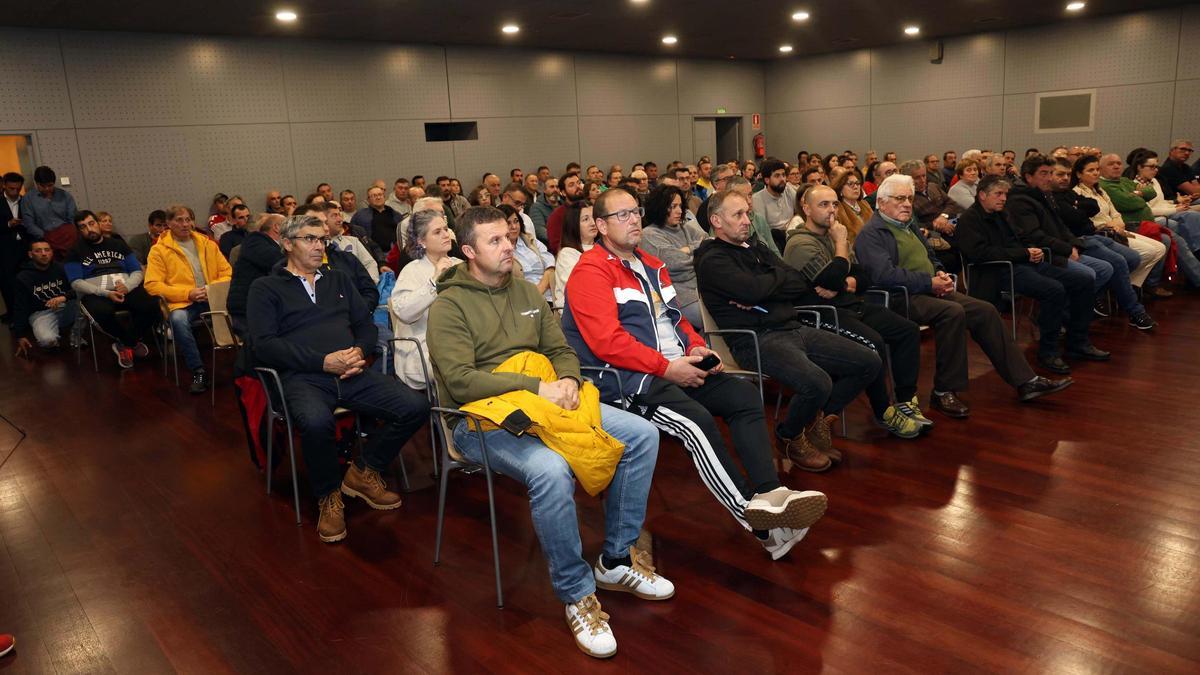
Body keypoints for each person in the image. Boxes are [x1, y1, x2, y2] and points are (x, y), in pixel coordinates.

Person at [427, 205, 671, 659]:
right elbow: (460, 381)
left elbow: (560, 348)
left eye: (509, 237)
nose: (508, 247)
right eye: (494, 241)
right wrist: (536, 386)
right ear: (468, 252)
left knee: (641, 434)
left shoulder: (526, 292)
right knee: (551, 469)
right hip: (480, 419)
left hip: (548, 402)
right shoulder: (449, 306)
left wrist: (567, 383)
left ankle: (616, 560)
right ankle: (577, 594)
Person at [562, 187, 828, 559]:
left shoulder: (651, 265)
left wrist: (695, 348)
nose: (634, 219)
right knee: (697, 424)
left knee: (744, 397)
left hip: (675, 366)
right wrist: (667, 368)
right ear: (602, 226)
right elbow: (607, 343)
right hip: (630, 380)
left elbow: (677, 320)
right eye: (621, 215)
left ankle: (770, 494)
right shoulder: (590, 272)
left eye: (635, 211)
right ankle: (762, 525)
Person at [247, 214, 429, 544]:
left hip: (351, 372)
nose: (319, 246)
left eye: (323, 240)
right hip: (303, 377)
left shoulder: (338, 279)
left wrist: (360, 350)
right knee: (317, 423)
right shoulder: (265, 288)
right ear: (288, 244)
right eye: (310, 239)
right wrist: (322, 362)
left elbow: (365, 324)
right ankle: (328, 496)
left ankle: (363, 471)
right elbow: (264, 345)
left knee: (416, 405)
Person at [854, 174, 1071, 418]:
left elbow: (930, 257)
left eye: (909, 198)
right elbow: (884, 275)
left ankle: (1026, 380)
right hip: (897, 298)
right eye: (899, 198)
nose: (906, 204)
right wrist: (929, 281)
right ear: (881, 202)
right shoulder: (871, 234)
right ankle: (944, 390)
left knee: (985, 310)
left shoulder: (909, 224)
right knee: (952, 312)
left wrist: (940, 273)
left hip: (928, 289)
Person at [694, 189, 883, 469]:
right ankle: (789, 435)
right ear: (716, 221)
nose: (747, 220)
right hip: (755, 340)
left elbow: (797, 284)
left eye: (748, 213)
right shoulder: (712, 259)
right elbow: (753, 289)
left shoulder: (755, 248)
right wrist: (771, 284)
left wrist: (765, 287)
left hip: (791, 327)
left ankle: (818, 421)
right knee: (817, 381)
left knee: (869, 360)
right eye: (738, 214)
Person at [783, 186, 927, 439]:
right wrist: (841, 248)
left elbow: (862, 275)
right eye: (824, 205)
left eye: (835, 204)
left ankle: (905, 401)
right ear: (806, 209)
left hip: (849, 305)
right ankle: (883, 412)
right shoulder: (799, 242)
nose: (832, 211)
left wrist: (845, 281)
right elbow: (831, 279)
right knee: (874, 344)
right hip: (819, 314)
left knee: (907, 331)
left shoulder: (832, 235)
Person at [956, 175, 1106, 373]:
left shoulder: (1003, 213)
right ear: (982, 195)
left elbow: (1022, 237)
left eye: (1005, 194)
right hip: (997, 271)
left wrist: (1032, 249)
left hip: (1024, 262)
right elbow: (979, 254)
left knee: (1083, 279)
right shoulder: (970, 219)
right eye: (998, 194)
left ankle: (1078, 341)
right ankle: (1048, 352)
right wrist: (1024, 253)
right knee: (1054, 289)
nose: (1003, 198)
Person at [1049, 158, 1155, 329]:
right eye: (1060, 174)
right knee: (1117, 262)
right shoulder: (1052, 196)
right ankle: (1135, 312)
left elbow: (1093, 207)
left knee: (1133, 258)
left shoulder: (1068, 193)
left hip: (1094, 234)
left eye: (1067, 175)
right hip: (1081, 239)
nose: (1065, 178)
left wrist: (1078, 206)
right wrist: (1079, 208)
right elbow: (1074, 217)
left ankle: (1093, 297)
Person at [145, 205, 233, 393]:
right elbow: (152, 285)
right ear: (168, 223)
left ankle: (243, 365)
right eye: (179, 220)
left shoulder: (207, 243)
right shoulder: (159, 250)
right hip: (183, 303)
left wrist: (210, 289)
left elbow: (227, 272)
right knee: (178, 320)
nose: (185, 224)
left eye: (189, 219)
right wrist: (188, 293)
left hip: (212, 297)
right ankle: (198, 370)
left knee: (244, 308)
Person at [66, 210, 159, 368]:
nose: (89, 229)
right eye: (83, 227)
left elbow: (137, 271)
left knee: (151, 306)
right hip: (97, 294)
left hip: (125, 289)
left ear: (98, 223)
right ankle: (130, 341)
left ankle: (126, 342)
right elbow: (75, 282)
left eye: (91, 223)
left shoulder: (117, 244)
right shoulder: (75, 251)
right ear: (79, 231)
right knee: (103, 313)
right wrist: (106, 293)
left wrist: (128, 286)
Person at [1098, 153, 1200, 288]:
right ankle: (1153, 284)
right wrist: (1139, 196)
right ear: (1101, 168)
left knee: (1179, 232)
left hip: (1147, 223)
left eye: (1119, 163)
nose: (1116, 166)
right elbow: (1131, 203)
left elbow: (1151, 192)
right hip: (1131, 225)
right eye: (1111, 164)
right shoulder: (1105, 185)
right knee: (1171, 238)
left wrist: (1138, 194)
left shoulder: (1124, 181)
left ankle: (1180, 276)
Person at [1072, 156, 1167, 298]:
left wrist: (1117, 225)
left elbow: (1116, 214)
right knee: (1148, 252)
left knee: (1160, 248)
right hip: (1100, 233)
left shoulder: (1100, 191)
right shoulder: (1076, 193)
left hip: (1116, 229)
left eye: (1097, 169)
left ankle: (1128, 285)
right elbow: (1087, 220)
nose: (1096, 173)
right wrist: (1110, 225)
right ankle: (1124, 287)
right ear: (1079, 174)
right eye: (1090, 170)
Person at [389, 209, 461, 389]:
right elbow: (404, 312)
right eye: (437, 232)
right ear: (421, 241)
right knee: (463, 366)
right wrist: (434, 282)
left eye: (446, 229)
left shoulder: (460, 265)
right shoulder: (412, 270)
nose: (446, 235)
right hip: (424, 349)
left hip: (461, 341)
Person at [638, 185, 707, 328]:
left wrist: (687, 249)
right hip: (680, 297)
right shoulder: (649, 234)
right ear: (660, 207)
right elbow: (677, 263)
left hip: (705, 289)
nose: (679, 211)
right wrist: (697, 251)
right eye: (673, 206)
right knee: (718, 320)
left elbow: (709, 243)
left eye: (680, 206)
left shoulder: (685, 227)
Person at [12, 240, 79, 356]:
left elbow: (78, 288)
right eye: (38, 251)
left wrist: (64, 297)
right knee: (47, 341)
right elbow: (20, 306)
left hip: (65, 306)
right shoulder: (23, 277)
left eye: (47, 250)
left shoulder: (62, 268)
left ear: (51, 252)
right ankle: (57, 334)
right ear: (30, 254)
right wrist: (20, 335)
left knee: (82, 300)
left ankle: (76, 332)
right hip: (41, 313)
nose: (43, 254)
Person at [228, 213, 284, 337]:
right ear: (277, 227)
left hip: (262, 308)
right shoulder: (255, 241)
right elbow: (280, 263)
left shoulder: (268, 244)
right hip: (248, 311)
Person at [1135, 150, 1200, 252]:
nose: (1156, 170)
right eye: (1152, 167)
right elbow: (1149, 210)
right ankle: (1195, 249)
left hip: (1167, 210)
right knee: (1191, 215)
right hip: (1156, 216)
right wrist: (1175, 209)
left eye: (1156, 167)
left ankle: (1194, 247)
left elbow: (1160, 202)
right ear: (1140, 167)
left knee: (1192, 214)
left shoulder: (1154, 181)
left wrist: (1176, 203)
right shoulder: (1135, 185)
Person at [20, 166, 77, 260]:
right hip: (45, 240)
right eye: (42, 186)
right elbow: (29, 223)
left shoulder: (65, 195)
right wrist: (45, 236)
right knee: (55, 271)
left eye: (50, 185)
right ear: (36, 183)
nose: (46, 189)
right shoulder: (28, 199)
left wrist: (70, 234)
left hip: (68, 237)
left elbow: (72, 217)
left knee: (74, 268)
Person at [552, 202, 596, 309]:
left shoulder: (604, 247)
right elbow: (579, 289)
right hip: (576, 310)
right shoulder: (567, 254)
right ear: (573, 225)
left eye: (594, 217)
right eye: (586, 219)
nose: (593, 223)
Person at [1, 172, 29, 323]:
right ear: (4, 185)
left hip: (24, 248)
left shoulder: (26, 201)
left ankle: (28, 313)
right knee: (7, 284)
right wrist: (8, 224)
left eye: (17, 189)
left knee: (26, 282)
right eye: (11, 188)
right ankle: (13, 316)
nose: (14, 192)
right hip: (5, 249)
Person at [351, 185, 403, 253]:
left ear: (384, 197)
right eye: (374, 195)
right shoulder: (360, 216)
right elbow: (352, 233)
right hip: (372, 253)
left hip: (394, 253)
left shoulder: (396, 214)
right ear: (368, 200)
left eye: (380, 195)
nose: (378, 197)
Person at [546, 171, 586, 253]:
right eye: (571, 185)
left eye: (578, 183)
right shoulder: (557, 216)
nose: (577, 186)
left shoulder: (588, 208)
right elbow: (556, 246)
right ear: (563, 193)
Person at [751, 159, 792, 238]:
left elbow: (801, 208)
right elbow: (763, 231)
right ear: (767, 180)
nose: (782, 179)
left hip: (791, 234)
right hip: (773, 238)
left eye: (783, 175)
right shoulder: (757, 199)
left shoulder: (788, 190)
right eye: (777, 176)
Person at [832, 169, 872, 247]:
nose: (855, 187)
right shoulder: (837, 209)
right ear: (840, 188)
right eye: (850, 184)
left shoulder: (864, 203)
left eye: (857, 183)